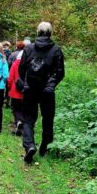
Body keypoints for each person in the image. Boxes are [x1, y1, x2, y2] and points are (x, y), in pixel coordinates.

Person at [18, 22, 65, 163]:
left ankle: (29, 145)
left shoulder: (29, 49)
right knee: (48, 119)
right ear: (50, 33)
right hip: (47, 92)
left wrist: (26, 83)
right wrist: (51, 85)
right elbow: (60, 72)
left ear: (37, 32)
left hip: (30, 89)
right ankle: (45, 148)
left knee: (28, 119)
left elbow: (21, 69)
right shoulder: (56, 50)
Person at [7, 49, 24, 136]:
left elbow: (10, 79)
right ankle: (23, 123)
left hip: (15, 91)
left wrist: (10, 87)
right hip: (25, 92)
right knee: (23, 108)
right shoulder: (29, 65)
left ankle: (18, 122)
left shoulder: (14, 64)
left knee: (15, 108)